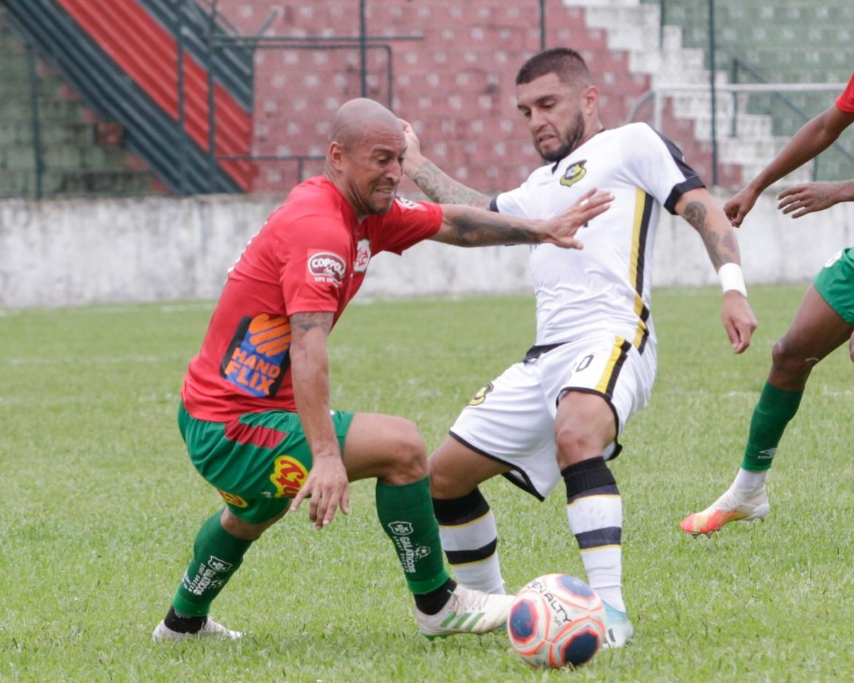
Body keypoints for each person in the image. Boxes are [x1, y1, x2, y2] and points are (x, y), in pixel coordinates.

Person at [151, 97, 612, 641]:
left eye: (399, 158)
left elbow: (454, 224)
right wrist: (325, 456)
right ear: (337, 157)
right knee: (403, 448)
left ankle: (181, 624)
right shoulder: (319, 228)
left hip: (220, 411)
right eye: (381, 160)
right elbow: (307, 347)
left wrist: (542, 229)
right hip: (232, 423)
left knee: (252, 514)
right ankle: (438, 603)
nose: (395, 173)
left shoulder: (362, 212)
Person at [401, 48, 758, 647]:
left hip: (615, 335)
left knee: (576, 434)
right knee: (443, 478)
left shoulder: (631, 143)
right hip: (544, 357)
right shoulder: (538, 188)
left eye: (548, 103)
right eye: (525, 111)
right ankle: (496, 606)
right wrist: (414, 164)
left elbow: (703, 210)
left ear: (589, 99)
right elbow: (470, 217)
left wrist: (733, 289)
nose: (536, 119)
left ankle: (611, 617)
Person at [679, 0, 854, 537]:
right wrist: (755, 185)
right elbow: (827, 126)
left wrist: (839, 191)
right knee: (789, 354)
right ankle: (748, 492)